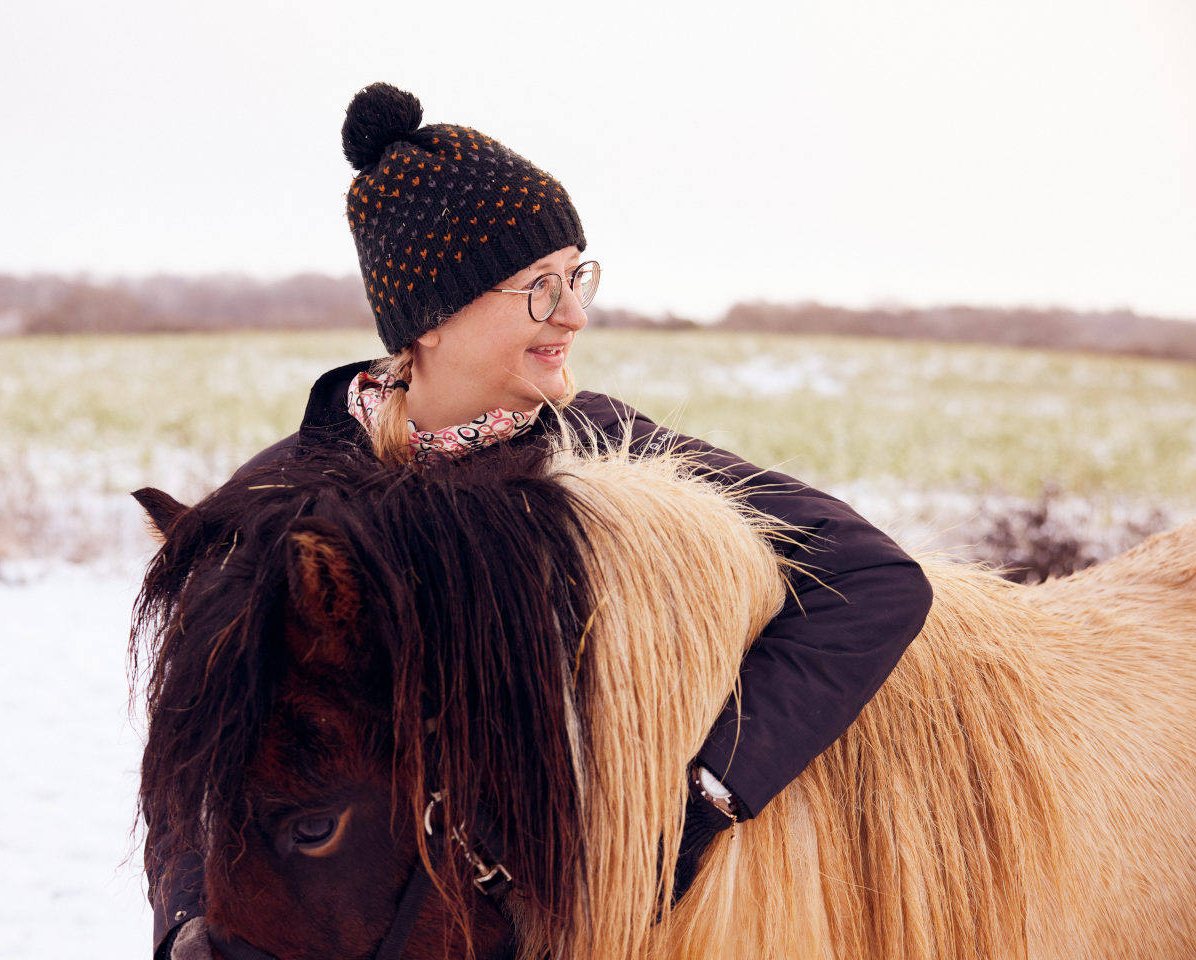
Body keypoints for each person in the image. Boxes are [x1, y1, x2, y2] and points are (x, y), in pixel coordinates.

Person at [146, 82, 933, 957]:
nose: (574, 314)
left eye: (575, 277)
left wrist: (702, 799)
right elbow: (205, 769)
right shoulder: (285, 504)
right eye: (537, 287)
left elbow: (871, 581)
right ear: (432, 318)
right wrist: (193, 930)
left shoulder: (608, 453)